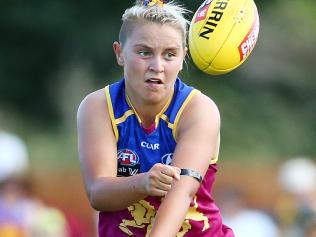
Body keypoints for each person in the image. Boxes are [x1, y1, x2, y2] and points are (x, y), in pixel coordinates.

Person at [77, 0, 234, 236]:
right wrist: (142, 183)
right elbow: (98, 193)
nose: (157, 66)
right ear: (119, 53)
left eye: (170, 54)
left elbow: (181, 194)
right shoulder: (98, 107)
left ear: (183, 59)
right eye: (144, 52)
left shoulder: (198, 110)